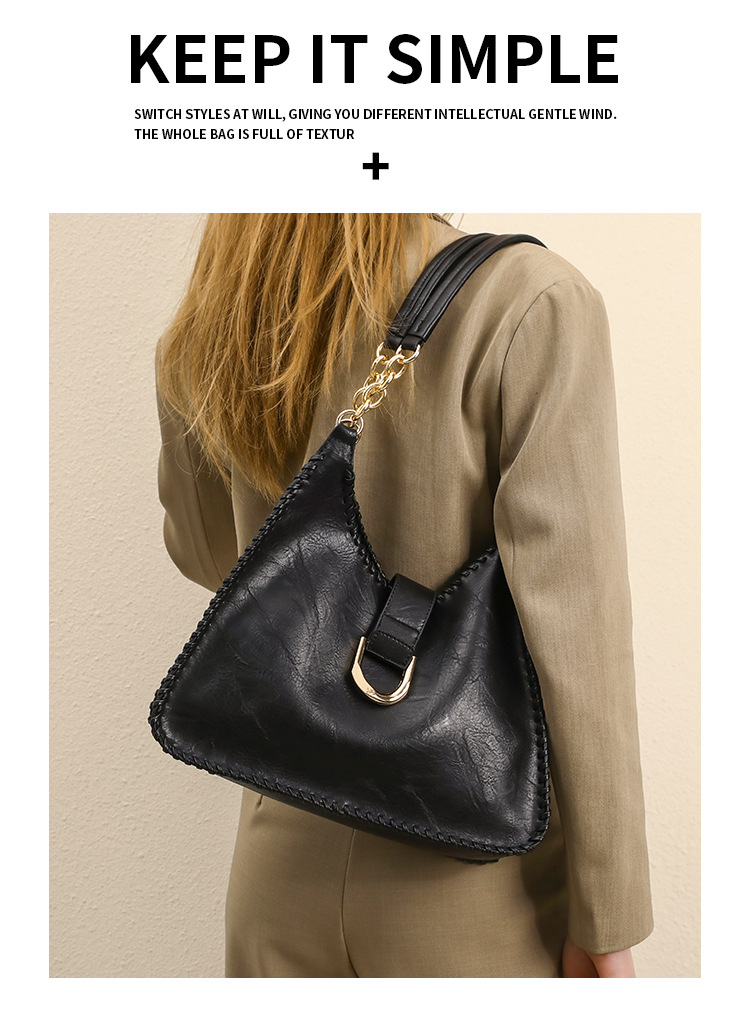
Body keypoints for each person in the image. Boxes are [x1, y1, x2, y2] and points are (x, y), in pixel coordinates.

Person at [155, 213, 654, 977]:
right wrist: (607, 917)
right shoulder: (529, 301)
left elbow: (212, 558)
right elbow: (578, 641)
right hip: (474, 879)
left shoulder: (226, 308)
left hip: (279, 863)